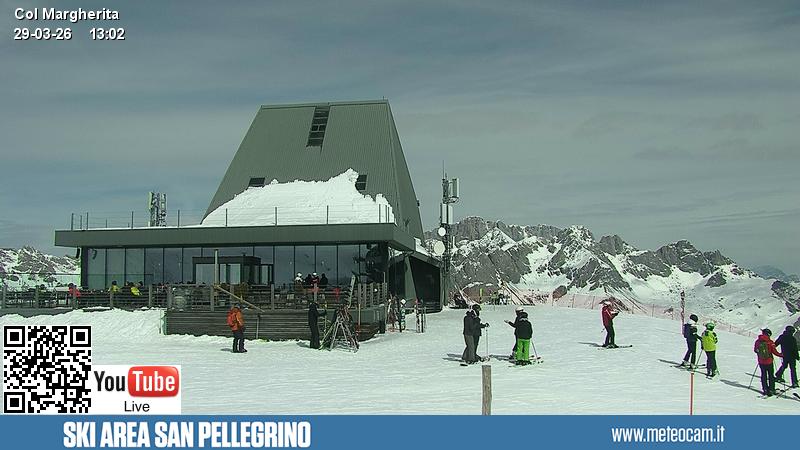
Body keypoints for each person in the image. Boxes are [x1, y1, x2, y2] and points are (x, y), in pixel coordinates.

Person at [754, 328, 782, 396]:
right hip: (769, 361)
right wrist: (781, 355)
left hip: (761, 361)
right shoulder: (770, 342)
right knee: (771, 375)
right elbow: (775, 352)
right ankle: (771, 389)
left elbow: (755, 350)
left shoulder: (757, 341)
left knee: (763, 375)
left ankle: (765, 389)